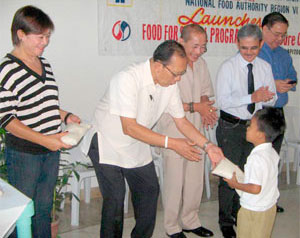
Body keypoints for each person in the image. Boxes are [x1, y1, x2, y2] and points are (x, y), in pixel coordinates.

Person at [85, 40, 224, 238]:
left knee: (149, 191)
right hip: (107, 142)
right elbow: (129, 127)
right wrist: (173, 143)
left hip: (136, 141)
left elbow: (182, 122)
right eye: (176, 74)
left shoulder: (168, 84)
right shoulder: (126, 79)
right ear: (158, 66)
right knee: (115, 199)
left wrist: (208, 146)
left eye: (181, 74)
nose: (178, 79)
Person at [0, 6, 81, 238]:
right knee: (23, 212)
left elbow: (44, 104)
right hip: (25, 154)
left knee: (44, 209)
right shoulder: (7, 69)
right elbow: (7, 120)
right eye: (40, 37)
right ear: (20, 34)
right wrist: (45, 140)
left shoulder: (44, 64)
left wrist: (65, 116)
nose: (45, 42)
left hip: (50, 151)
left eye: (47, 37)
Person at [215, 24, 277, 238]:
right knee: (229, 174)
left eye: (253, 48)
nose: (249, 53)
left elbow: (274, 97)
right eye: (244, 48)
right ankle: (225, 220)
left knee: (248, 172)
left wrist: (268, 97)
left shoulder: (265, 67)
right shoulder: (228, 67)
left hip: (254, 129)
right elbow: (222, 101)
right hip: (231, 126)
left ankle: (238, 212)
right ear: (237, 44)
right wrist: (251, 98)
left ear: (261, 44)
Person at [156, 24, 217, 238]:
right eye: (195, 46)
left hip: (196, 131)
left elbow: (205, 93)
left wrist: (205, 107)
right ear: (181, 42)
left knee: (194, 180)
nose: (199, 51)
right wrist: (195, 107)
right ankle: (172, 226)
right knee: (174, 182)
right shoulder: (169, 65)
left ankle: (191, 220)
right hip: (173, 131)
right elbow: (165, 104)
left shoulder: (201, 65)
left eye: (203, 47)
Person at [224, 107, 286, 238]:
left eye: (250, 126)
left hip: (253, 210)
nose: (247, 128)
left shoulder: (255, 158)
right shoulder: (272, 152)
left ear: (260, 134)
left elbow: (255, 188)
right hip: (268, 207)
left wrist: (235, 184)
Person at [258, 12, 298, 213]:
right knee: (256, 159)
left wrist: (287, 84)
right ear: (264, 29)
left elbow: (293, 77)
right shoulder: (253, 51)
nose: (280, 39)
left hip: (277, 112)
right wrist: (273, 85)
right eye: (276, 34)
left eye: (283, 35)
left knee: (273, 159)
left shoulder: (284, 54)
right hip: (259, 113)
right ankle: (252, 200)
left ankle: (270, 199)